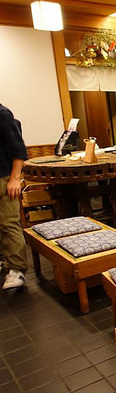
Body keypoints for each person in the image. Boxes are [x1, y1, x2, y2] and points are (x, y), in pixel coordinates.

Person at [0, 104, 30, 289]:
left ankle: (17, 270)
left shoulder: (2, 114)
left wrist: (15, 179)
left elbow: (19, 150)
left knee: (9, 223)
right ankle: (3, 260)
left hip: (4, 176)